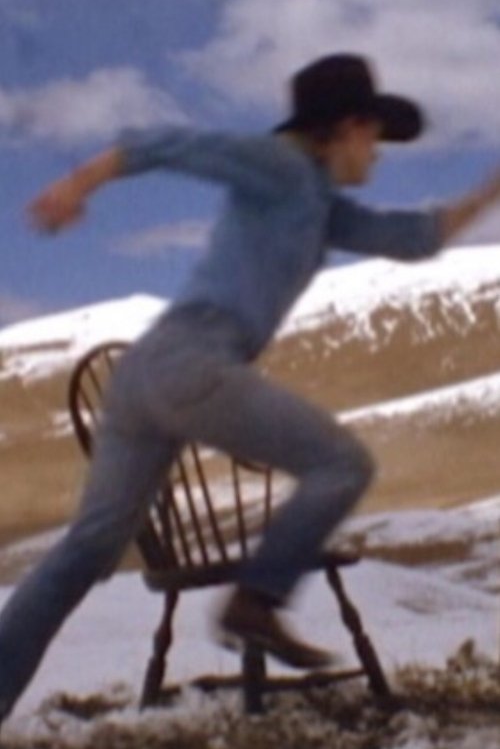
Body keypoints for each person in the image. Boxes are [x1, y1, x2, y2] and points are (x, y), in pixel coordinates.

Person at [1, 53, 500, 724]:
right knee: (342, 464)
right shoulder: (279, 165)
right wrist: (76, 184)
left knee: (83, 552)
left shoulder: (320, 206)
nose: (378, 155)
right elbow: (173, 145)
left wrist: (487, 194)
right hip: (192, 362)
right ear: (348, 126)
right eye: (375, 138)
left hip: (147, 374)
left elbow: (408, 237)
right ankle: (256, 600)